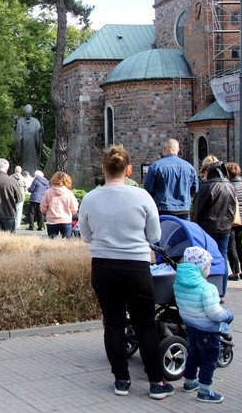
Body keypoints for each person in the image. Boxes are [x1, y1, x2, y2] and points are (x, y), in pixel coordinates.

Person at [78, 145, 174, 400]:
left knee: (113, 324)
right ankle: (156, 382)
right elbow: (154, 235)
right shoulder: (141, 196)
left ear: (103, 169)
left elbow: (85, 235)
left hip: (103, 267)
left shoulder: (90, 198)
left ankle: (121, 379)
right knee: (145, 325)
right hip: (135, 267)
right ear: (129, 169)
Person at [173, 246, 234, 404]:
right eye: (208, 266)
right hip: (207, 329)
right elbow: (214, 313)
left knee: (193, 354)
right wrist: (228, 315)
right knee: (208, 360)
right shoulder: (208, 288)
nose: (209, 270)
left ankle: (189, 382)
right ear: (201, 268)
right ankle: (204, 391)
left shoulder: (178, 282)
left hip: (190, 325)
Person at [191, 159, 236, 299]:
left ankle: (209, 290)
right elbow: (233, 208)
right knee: (222, 258)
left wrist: (195, 225)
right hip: (225, 228)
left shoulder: (207, 186)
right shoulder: (230, 186)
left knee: (205, 258)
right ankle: (221, 291)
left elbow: (199, 208)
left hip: (208, 227)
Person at [143, 138, 199, 219]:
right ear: (178, 150)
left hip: (163, 209)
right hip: (183, 209)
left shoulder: (156, 166)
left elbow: (148, 189)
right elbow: (195, 189)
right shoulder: (189, 167)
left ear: (164, 149)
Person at [40, 171, 78, 238]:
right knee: (67, 243)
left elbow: (42, 207)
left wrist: (45, 212)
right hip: (66, 220)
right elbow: (74, 208)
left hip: (51, 221)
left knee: (52, 243)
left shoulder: (47, 192)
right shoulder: (69, 193)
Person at [13, 104, 43, 174]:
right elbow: (18, 135)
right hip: (24, 147)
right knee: (23, 162)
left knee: (33, 162)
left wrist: (41, 132)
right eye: (26, 114)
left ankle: (33, 173)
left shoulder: (36, 122)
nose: (27, 116)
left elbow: (39, 135)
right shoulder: (20, 121)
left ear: (31, 113)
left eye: (29, 114)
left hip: (33, 148)